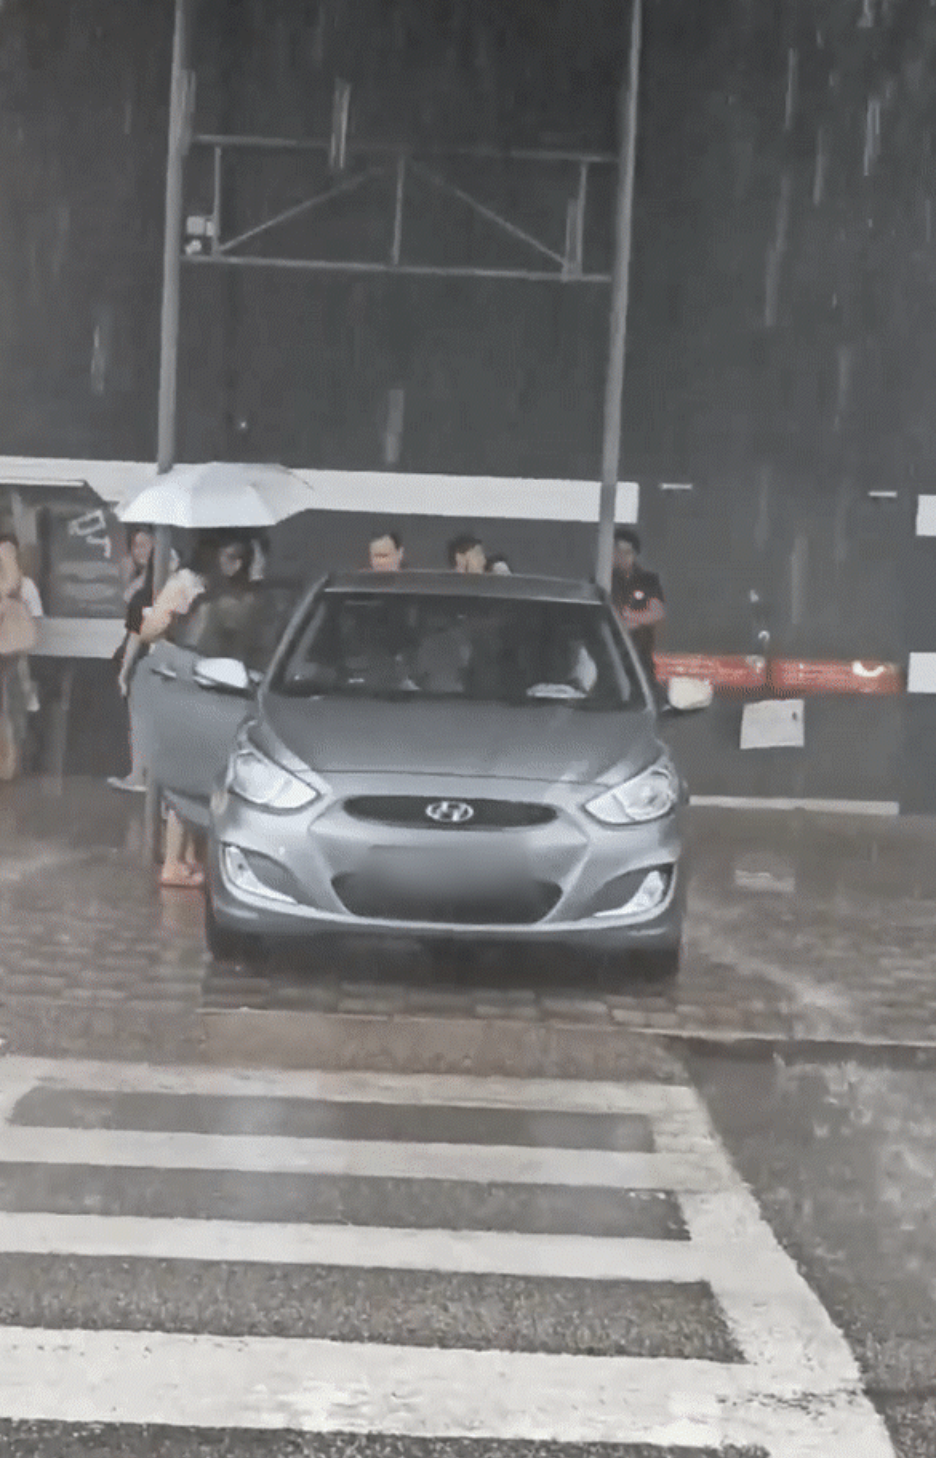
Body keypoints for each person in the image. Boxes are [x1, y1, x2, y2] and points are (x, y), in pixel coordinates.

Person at [138, 531, 252, 888]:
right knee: (183, 773)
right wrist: (174, 616)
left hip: (203, 680)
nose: (233, 565)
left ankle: (185, 857)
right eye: (228, 556)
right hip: (181, 680)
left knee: (199, 771)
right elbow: (149, 630)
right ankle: (173, 861)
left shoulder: (220, 590)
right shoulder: (186, 583)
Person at [108, 528, 156, 792]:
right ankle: (140, 775)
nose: (140, 552)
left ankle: (140, 777)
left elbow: (136, 633)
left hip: (143, 660)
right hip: (140, 658)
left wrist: (124, 672)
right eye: (136, 546)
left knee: (141, 723)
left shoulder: (152, 587)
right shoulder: (140, 580)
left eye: (145, 545)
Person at [610, 526, 666, 691]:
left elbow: (657, 612)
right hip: (611, 655)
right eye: (616, 551)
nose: (620, 557)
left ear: (634, 554)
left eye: (625, 552)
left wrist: (631, 619)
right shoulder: (604, 578)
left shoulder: (647, 580)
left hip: (640, 655)